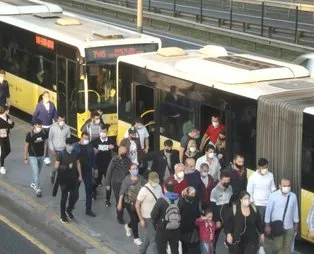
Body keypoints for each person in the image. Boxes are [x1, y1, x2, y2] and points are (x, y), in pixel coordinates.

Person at [264, 178, 299, 254]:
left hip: (289, 226)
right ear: (280, 186)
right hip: (278, 226)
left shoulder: (293, 196)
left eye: (289, 185)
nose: (287, 187)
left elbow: (295, 210)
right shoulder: (273, 196)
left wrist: (296, 224)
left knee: (287, 247)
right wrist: (267, 225)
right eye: (284, 185)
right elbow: (268, 211)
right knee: (278, 247)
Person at [55, 137, 82, 223]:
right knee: (64, 197)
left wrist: (80, 175)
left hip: (73, 178)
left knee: (75, 195)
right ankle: (63, 215)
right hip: (63, 179)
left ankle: (69, 209)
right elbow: (56, 166)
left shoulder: (75, 153)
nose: (71, 147)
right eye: (70, 145)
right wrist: (66, 167)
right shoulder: (61, 154)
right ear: (66, 145)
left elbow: (78, 163)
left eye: (72, 145)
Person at [118, 164, 146, 246]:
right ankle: (136, 238)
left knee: (137, 219)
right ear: (129, 170)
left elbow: (146, 186)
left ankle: (128, 226)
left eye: (136, 168)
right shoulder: (126, 180)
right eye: (133, 169)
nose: (135, 170)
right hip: (129, 202)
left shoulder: (141, 178)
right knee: (134, 218)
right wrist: (120, 203)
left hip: (139, 202)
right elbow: (122, 191)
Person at [151, 177, 180, 254]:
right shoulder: (180, 200)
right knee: (175, 250)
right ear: (175, 187)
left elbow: (153, 215)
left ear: (164, 187)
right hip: (175, 229)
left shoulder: (161, 200)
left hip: (162, 229)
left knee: (162, 250)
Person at [136, 172, 163, 254]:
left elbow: (161, 200)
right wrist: (141, 219)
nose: (155, 183)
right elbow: (137, 205)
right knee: (154, 239)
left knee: (147, 238)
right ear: (149, 180)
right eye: (154, 181)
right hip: (147, 217)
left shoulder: (159, 187)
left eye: (157, 181)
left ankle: (141, 251)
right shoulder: (144, 189)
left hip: (156, 216)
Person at [105, 145, 132, 224]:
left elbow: (130, 170)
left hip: (126, 184)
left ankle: (123, 210)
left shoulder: (127, 160)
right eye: (123, 152)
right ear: (119, 152)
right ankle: (119, 216)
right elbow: (109, 172)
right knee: (119, 200)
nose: (124, 153)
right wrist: (107, 184)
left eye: (125, 152)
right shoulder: (114, 160)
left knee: (126, 200)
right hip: (116, 184)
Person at [73, 132, 97, 217]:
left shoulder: (90, 146)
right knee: (75, 190)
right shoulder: (75, 146)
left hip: (87, 171)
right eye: (85, 138)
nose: (86, 140)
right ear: (81, 137)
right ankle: (71, 206)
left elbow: (93, 158)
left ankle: (88, 209)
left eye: (87, 138)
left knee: (89, 190)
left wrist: (95, 168)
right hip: (77, 171)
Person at [246, 158, 276, 225]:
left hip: (269, 203)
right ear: (259, 166)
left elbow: (272, 187)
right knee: (260, 222)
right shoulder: (253, 177)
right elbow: (249, 191)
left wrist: (275, 194)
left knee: (269, 222)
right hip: (258, 204)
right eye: (263, 167)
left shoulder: (270, 175)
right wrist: (252, 203)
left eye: (266, 167)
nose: (265, 169)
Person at [210, 170, 233, 253]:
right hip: (219, 215)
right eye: (225, 180)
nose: (227, 182)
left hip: (228, 215)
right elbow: (213, 206)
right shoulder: (214, 191)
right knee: (216, 236)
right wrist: (217, 220)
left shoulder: (230, 188)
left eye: (228, 180)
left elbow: (231, 202)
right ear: (220, 179)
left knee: (230, 234)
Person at [92, 125, 116, 203]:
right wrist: (94, 150)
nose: (102, 133)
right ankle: (93, 193)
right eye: (101, 131)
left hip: (107, 166)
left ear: (107, 132)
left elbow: (116, 148)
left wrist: (113, 147)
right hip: (98, 165)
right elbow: (90, 148)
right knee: (96, 181)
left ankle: (107, 199)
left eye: (104, 131)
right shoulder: (95, 141)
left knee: (108, 183)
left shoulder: (110, 140)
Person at [24, 119, 46, 197]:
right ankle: (38, 189)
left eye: (40, 125)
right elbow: (26, 145)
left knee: (38, 171)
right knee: (36, 172)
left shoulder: (43, 132)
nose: (39, 127)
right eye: (38, 125)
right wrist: (25, 158)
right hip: (32, 156)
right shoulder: (29, 134)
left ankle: (33, 183)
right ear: (34, 125)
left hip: (41, 155)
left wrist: (45, 154)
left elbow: (45, 143)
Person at [48, 114, 71, 184]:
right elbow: (50, 139)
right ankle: (52, 175)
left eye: (63, 120)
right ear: (57, 119)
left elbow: (68, 139)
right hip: (55, 150)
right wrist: (52, 149)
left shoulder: (67, 128)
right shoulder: (53, 127)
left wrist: (68, 149)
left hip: (63, 150)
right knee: (55, 167)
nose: (62, 121)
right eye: (61, 120)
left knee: (63, 167)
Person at [178, 187, 201, 254]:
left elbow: (197, 214)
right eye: (191, 195)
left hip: (189, 229)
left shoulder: (183, 201)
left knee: (188, 248)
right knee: (187, 247)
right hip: (186, 228)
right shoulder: (182, 202)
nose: (193, 196)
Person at [0, 106, 14, 175]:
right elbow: (6, 125)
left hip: (6, 136)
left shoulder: (7, 117)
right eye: (7, 110)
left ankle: (1, 159)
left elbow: (12, 126)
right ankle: (2, 167)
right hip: (1, 137)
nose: (8, 111)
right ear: (4, 111)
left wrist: (10, 123)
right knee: (2, 152)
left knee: (8, 150)